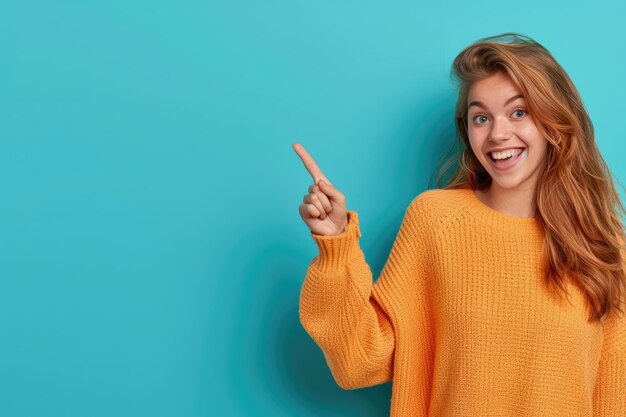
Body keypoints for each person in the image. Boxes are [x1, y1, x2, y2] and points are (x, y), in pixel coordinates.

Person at [293, 32, 626, 416]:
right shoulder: (436, 221)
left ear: (554, 122)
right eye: (481, 117)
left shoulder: (603, 248)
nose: (498, 134)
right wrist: (336, 246)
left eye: (519, 112)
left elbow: (613, 399)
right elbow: (359, 361)